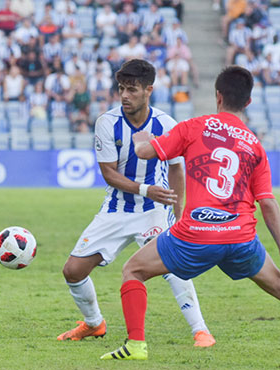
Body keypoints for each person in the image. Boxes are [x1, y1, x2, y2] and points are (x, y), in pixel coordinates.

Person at [100, 66, 280, 361]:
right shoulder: (255, 145)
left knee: (133, 270)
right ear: (248, 102)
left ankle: (136, 345)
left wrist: (140, 134)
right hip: (240, 237)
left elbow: (146, 152)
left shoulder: (194, 127)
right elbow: (268, 203)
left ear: (217, 96)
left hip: (195, 234)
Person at [57, 59, 215, 348]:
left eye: (132, 89)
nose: (125, 95)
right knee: (73, 271)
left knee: (172, 266)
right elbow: (108, 174)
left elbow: (178, 168)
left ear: (148, 90)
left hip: (153, 212)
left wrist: (178, 215)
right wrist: (146, 189)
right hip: (116, 209)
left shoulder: (166, 124)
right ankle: (94, 324)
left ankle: (201, 331)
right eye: (121, 89)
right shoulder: (107, 122)